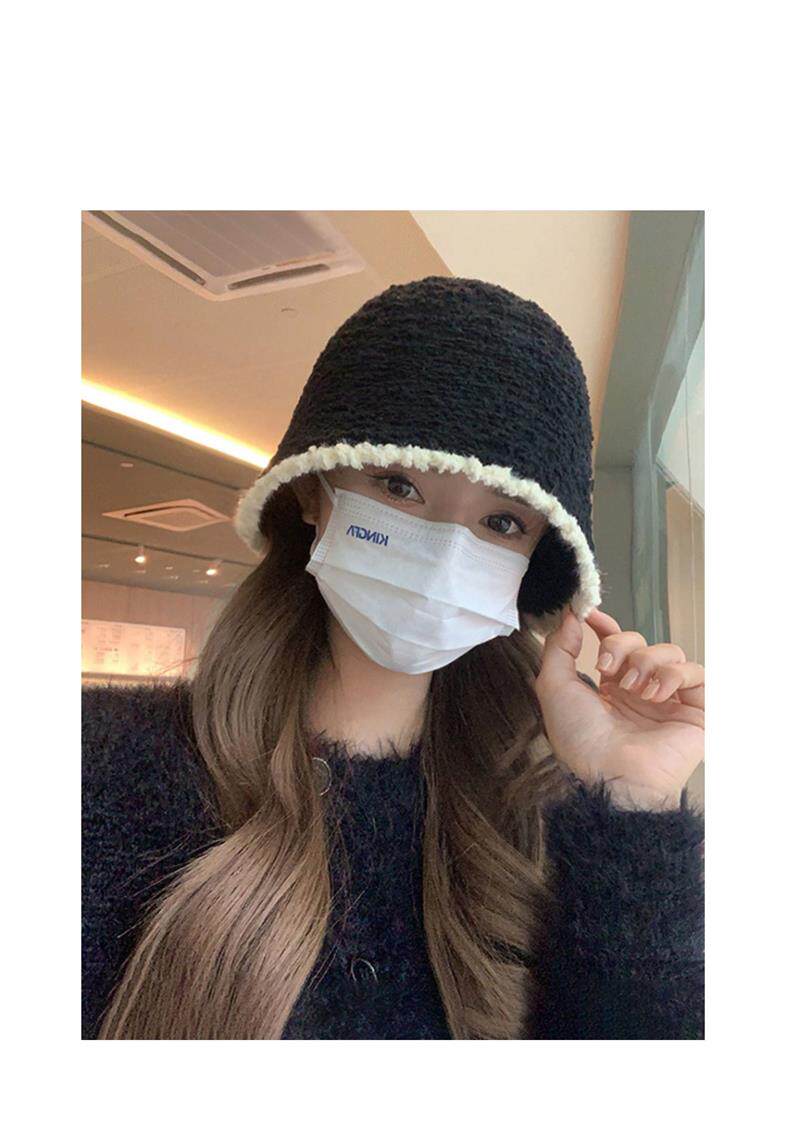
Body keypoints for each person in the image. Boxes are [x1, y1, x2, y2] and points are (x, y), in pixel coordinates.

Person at [82, 276, 704, 1040]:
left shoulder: (550, 821)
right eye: (399, 484)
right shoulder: (101, 763)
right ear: (313, 492)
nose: (444, 552)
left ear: (533, 560)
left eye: (502, 521)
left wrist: (633, 801)